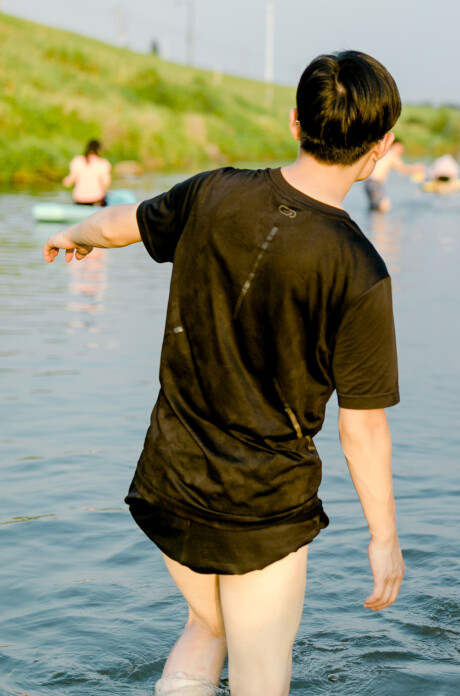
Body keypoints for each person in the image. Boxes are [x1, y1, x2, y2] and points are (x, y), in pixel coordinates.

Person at [43, 52, 405, 696]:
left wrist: (75, 231)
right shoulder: (359, 269)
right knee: (260, 679)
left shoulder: (211, 191)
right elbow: (363, 429)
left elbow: (117, 225)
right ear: (381, 147)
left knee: (207, 625)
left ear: (296, 121)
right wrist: (385, 539)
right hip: (263, 508)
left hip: (169, 481)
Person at [365, 138, 425, 212]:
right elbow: (403, 169)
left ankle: (371, 223)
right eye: (400, 147)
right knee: (385, 207)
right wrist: (416, 167)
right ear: (395, 146)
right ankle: (380, 223)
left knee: (375, 208)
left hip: (369, 183)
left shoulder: (386, 153)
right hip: (375, 184)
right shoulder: (392, 154)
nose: (402, 150)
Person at [63, 139, 112, 206]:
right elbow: (106, 184)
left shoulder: (77, 160)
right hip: (96, 200)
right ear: (99, 150)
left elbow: (68, 183)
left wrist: (64, 181)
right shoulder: (102, 163)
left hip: (79, 200)